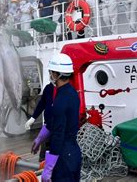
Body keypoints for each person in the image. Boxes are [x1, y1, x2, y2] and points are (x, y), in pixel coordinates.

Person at [32, 53, 81, 181]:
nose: (50, 75)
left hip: (63, 156)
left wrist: (48, 167)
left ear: (56, 74)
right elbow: (59, 122)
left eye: (51, 72)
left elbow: (58, 135)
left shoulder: (60, 100)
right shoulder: (72, 93)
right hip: (74, 152)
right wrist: (40, 137)